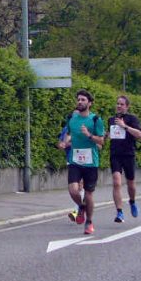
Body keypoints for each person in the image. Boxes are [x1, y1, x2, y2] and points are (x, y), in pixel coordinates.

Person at [57, 89, 104, 235]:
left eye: (83, 100)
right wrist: (65, 142)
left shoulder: (96, 120)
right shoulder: (72, 118)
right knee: (73, 190)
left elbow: (101, 141)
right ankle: (81, 207)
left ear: (89, 103)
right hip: (75, 160)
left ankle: (89, 222)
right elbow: (69, 133)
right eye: (78, 99)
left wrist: (89, 135)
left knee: (89, 194)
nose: (80, 102)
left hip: (91, 162)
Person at [106, 95, 141, 223]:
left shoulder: (132, 119)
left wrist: (125, 126)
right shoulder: (111, 120)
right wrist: (102, 138)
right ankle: (119, 212)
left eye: (121, 104)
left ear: (127, 106)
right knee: (116, 182)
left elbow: (140, 135)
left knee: (131, 184)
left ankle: (132, 201)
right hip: (115, 154)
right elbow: (108, 134)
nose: (118, 106)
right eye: (117, 103)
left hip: (128, 154)